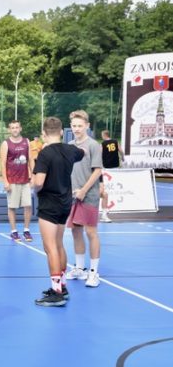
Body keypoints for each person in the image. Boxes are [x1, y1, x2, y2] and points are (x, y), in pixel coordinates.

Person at [32, 117, 84, 307]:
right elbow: (83, 152)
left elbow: (38, 182)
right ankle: (62, 285)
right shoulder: (70, 150)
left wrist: (34, 188)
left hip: (49, 204)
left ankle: (56, 293)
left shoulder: (45, 154)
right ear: (62, 132)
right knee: (59, 244)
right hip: (65, 203)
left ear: (44, 133)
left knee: (50, 247)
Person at [65, 110, 103, 288]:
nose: (77, 128)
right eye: (74, 126)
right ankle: (79, 268)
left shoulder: (94, 145)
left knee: (91, 232)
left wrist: (84, 190)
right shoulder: (70, 145)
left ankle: (94, 272)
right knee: (75, 231)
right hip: (72, 195)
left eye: (80, 125)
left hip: (89, 195)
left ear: (87, 126)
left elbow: (97, 170)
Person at [0, 120, 33, 242]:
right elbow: (2, 164)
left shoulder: (26, 142)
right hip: (12, 180)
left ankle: (26, 230)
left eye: (17, 127)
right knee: (12, 207)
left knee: (28, 205)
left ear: (20, 128)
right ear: (9, 130)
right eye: (12, 127)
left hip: (25, 180)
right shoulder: (5, 143)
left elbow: (30, 160)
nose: (15, 129)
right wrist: (5, 181)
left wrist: (33, 176)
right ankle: (14, 231)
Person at [99, 130, 123, 223]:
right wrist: (123, 157)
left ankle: (104, 211)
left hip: (106, 165)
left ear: (104, 135)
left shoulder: (103, 143)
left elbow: (100, 154)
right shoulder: (116, 141)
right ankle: (105, 211)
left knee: (105, 189)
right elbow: (120, 151)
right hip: (115, 164)